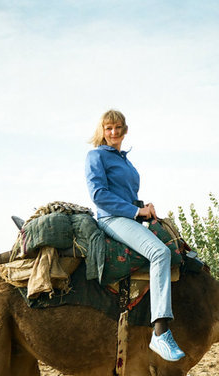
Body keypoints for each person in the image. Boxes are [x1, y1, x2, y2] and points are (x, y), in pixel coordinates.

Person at [85, 109, 185, 362]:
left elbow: (127, 195)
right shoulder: (95, 155)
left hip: (129, 215)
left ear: (125, 130)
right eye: (109, 128)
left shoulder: (125, 160)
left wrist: (143, 208)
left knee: (180, 249)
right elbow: (99, 195)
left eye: (118, 128)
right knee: (159, 253)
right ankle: (160, 333)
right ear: (102, 130)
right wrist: (135, 211)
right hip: (111, 218)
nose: (114, 132)